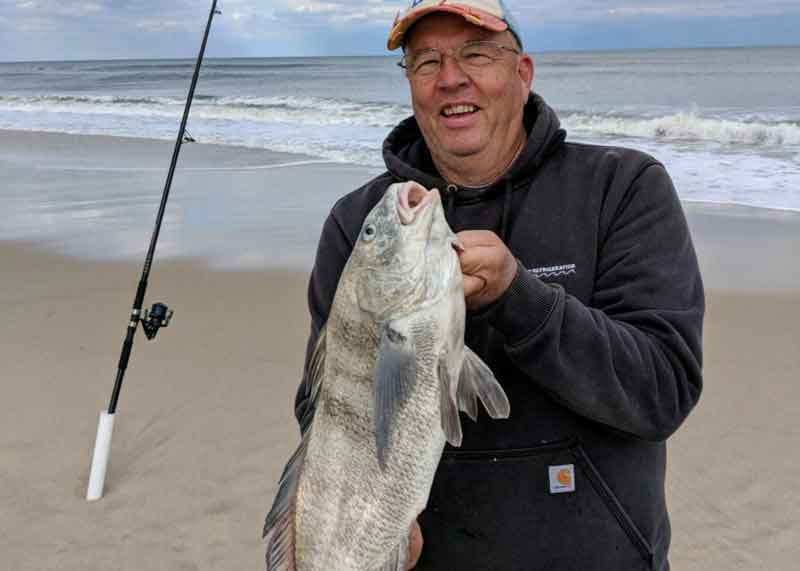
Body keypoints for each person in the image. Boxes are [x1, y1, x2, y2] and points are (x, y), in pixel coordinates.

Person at [294, 1, 704, 569]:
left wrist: (521, 301)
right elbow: (329, 411)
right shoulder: (361, 222)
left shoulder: (623, 187)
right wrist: (371, 520)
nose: (450, 78)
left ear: (523, 71)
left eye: (476, 54)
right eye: (425, 61)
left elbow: (664, 391)